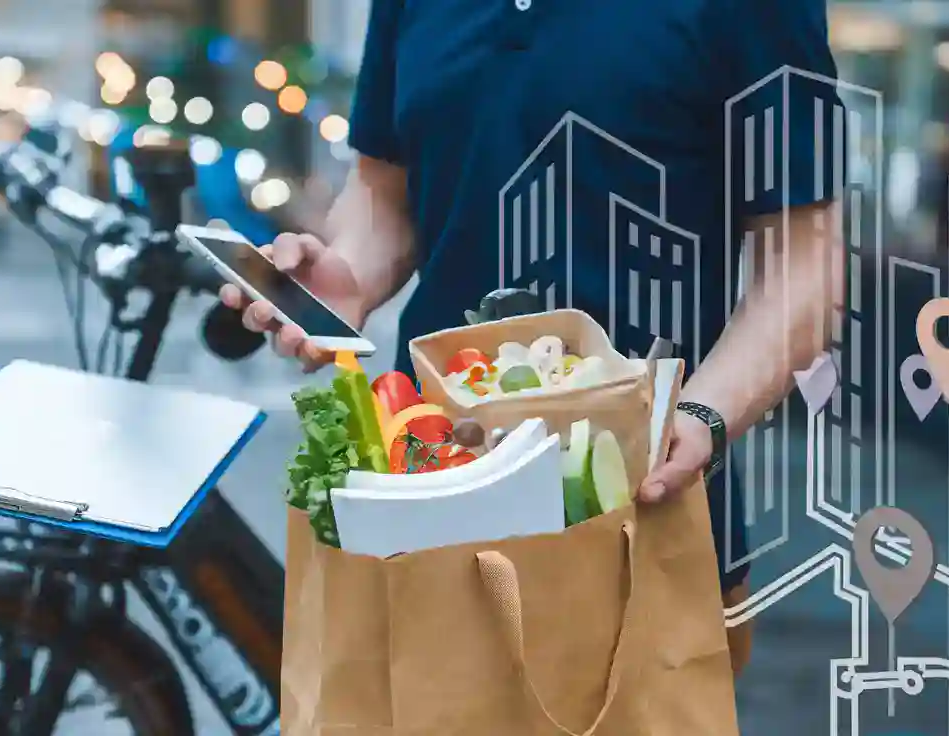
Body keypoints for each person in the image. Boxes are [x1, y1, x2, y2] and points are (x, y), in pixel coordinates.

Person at [221, 0, 845, 677]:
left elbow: (805, 266)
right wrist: (345, 278)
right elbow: (384, 190)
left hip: (640, 511)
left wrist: (702, 415)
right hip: (429, 493)